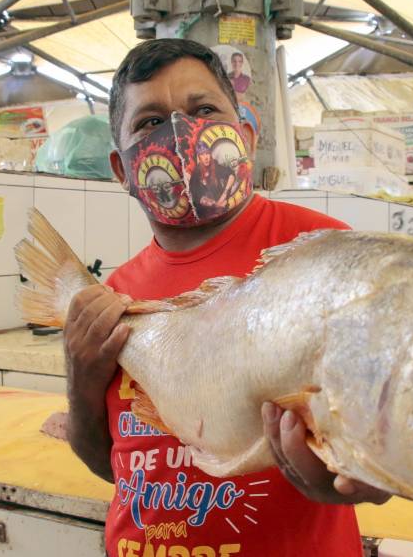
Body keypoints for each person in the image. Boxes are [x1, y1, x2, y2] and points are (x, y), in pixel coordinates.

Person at [63, 38, 389, 557]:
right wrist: (80, 373)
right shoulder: (117, 293)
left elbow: (367, 450)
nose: (180, 133)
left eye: (203, 110)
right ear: (122, 170)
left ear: (246, 135)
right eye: (150, 122)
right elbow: (112, 464)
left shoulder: (322, 251)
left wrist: (350, 478)